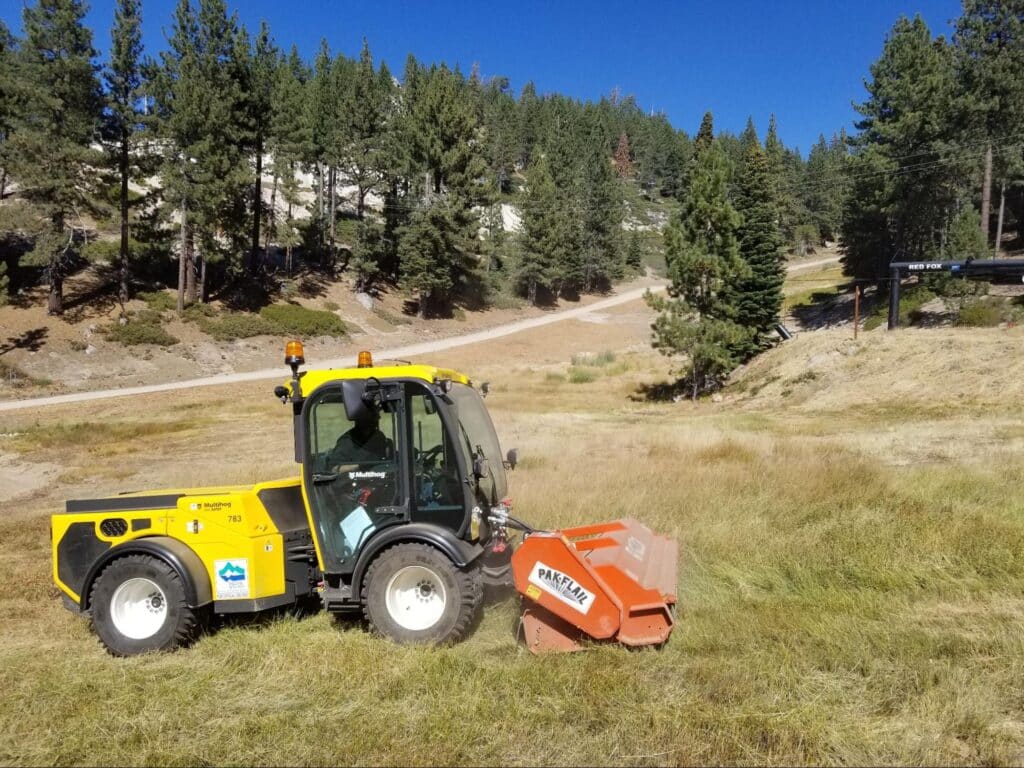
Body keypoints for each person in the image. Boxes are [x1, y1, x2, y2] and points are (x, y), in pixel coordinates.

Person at [327, 409, 394, 469]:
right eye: (370, 419)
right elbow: (334, 469)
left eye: (375, 419)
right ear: (359, 420)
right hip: (352, 480)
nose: (374, 423)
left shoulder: (378, 436)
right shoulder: (347, 441)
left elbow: (386, 460)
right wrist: (360, 466)